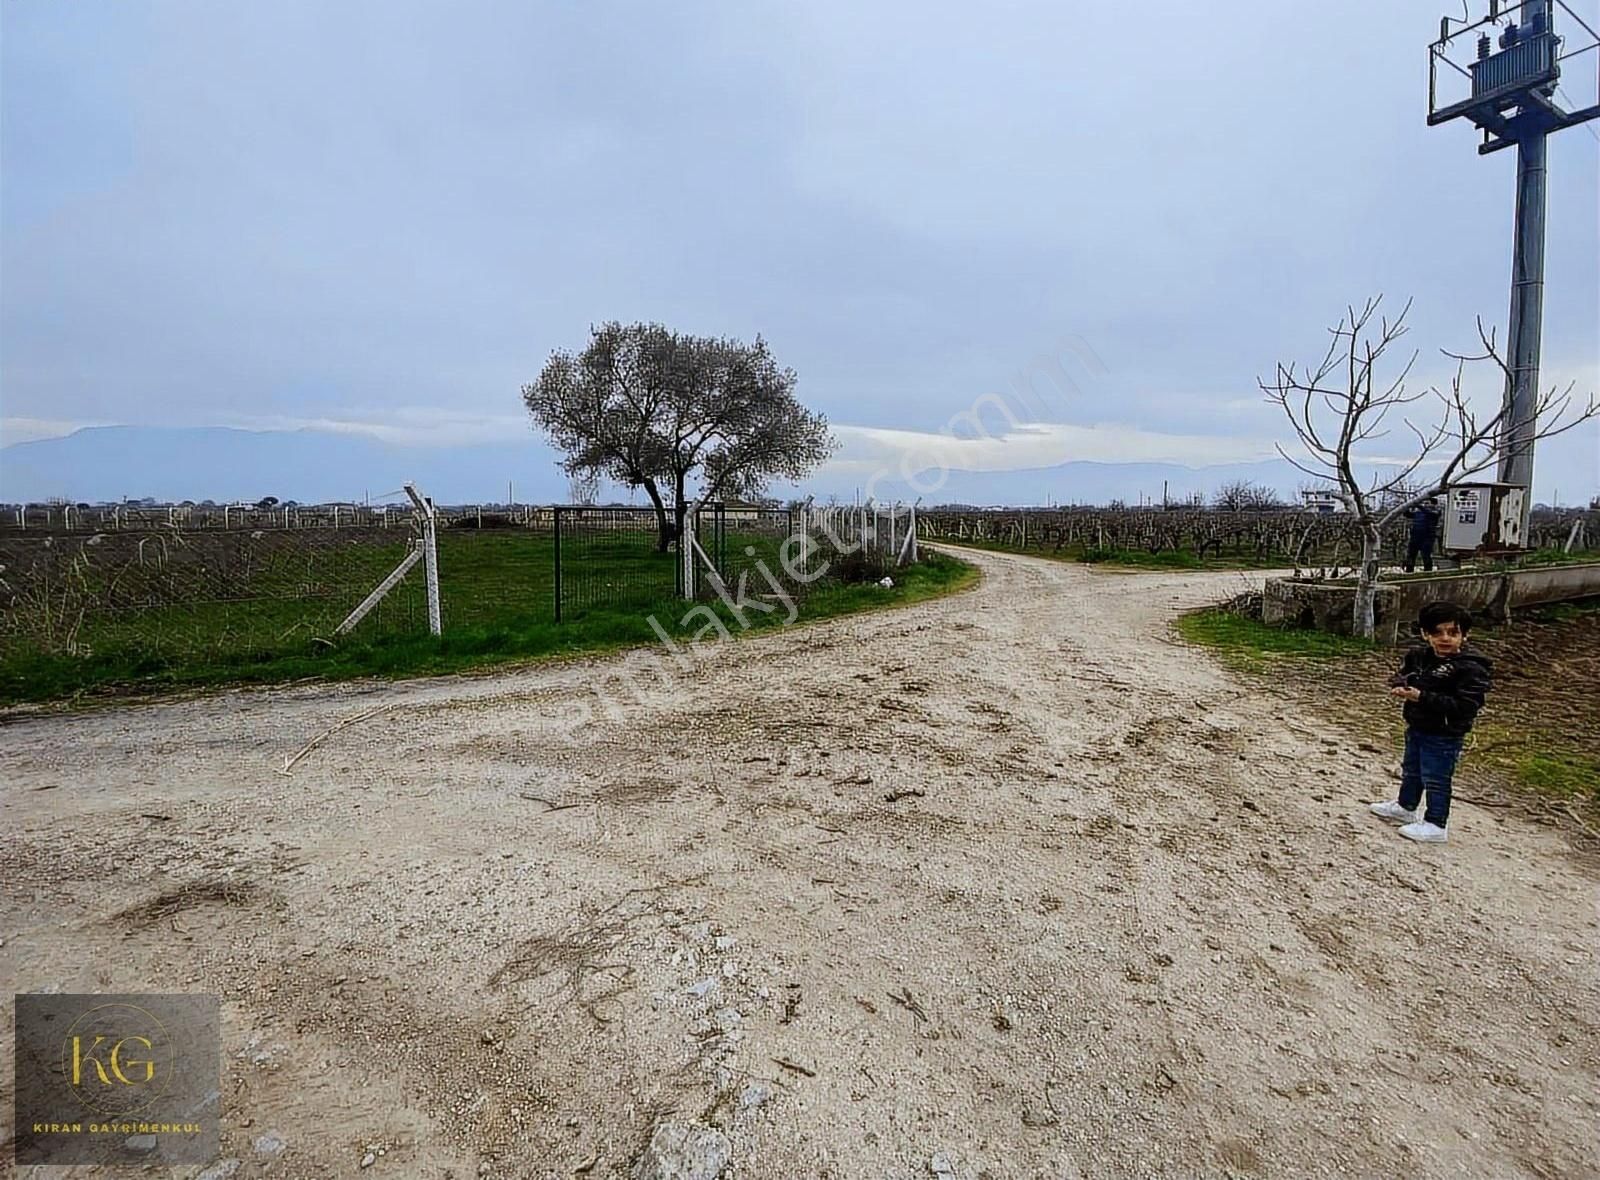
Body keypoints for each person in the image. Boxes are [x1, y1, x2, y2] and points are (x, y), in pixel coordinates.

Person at [1369, 602, 1493, 844]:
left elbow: (1465, 706)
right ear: (1425, 634)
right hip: (1418, 724)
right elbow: (1405, 674)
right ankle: (1406, 807)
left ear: (1464, 635)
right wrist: (1400, 683)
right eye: (1437, 632)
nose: (1445, 638)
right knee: (1412, 770)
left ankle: (1436, 823)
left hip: (1445, 733)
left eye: (1452, 632)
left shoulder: (1471, 669)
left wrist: (1421, 697)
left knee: (1436, 777)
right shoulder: (1419, 656)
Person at [1403, 498, 1441, 572]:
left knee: (1426, 556)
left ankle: (1428, 572)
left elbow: (1428, 513)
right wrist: (1407, 506)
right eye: (1425, 503)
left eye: (1427, 503)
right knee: (1411, 556)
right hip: (1415, 537)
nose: (1425, 505)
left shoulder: (1435, 512)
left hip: (1427, 538)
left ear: (1433, 504)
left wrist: (1418, 505)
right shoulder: (1418, 513)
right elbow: (1407, 515)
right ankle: (1409, 572)